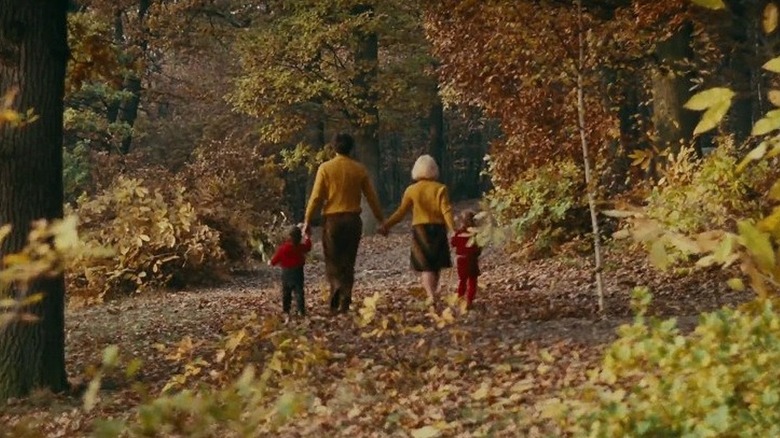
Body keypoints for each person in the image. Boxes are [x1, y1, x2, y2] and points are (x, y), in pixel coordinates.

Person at [303, 132, 385, 314]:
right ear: (351, 148)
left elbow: (316, 197)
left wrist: (307, 220)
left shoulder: (325, 168)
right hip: (353, 220)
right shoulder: (359, 169)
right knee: (348, 261)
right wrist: (381, 220)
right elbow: (371, 197)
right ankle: (345, 301)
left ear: (333, 147)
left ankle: (335, 297)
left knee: (332, 260)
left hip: (333, 220)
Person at [379, 154, 455, 301]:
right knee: (436, 264)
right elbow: (446, 210)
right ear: (434, 169)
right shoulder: (440, 188)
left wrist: (386, 225)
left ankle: (430, 294)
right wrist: (453, 229)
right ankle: (434, 293)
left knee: (425, 265)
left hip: (421, 231)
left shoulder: (411, 190)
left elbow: (401, 212)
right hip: (438, 229)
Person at [269, 225, 312, 320]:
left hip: (286, 272)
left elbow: (275, 259)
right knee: (299, 292)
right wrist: (308, 237)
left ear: (288, 236)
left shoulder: (283, 248)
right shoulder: (300, 247)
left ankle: (286, 310)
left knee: (286, 292)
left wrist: (271, 262)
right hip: (298, 271)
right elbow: (308, 247)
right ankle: (301, 310)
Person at [450, 210, 482, 309]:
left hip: (461, 259)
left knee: (462, 280)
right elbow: (479, 247)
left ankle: (460, 298)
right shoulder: (476, 234)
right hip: (472, 259)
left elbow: (453, 243)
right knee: (472, 281)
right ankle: (469, 301)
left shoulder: (458, 233)